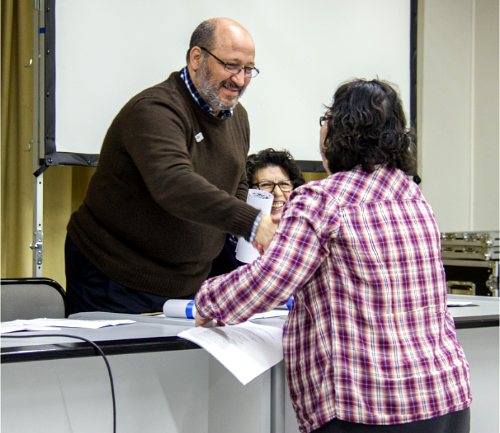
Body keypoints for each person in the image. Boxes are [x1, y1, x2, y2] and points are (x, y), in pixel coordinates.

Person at [195, 79, 472, 433]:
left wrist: (208, 299)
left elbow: (271, 280)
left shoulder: (322, 200)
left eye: (328, 117)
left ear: (339, 131)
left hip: (371, 406)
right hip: (444, 396)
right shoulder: (413, 196)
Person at [64, 18, 277, 315]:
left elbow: (236, 180)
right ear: (196, 58)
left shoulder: (237, 117)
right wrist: (252, 223)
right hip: (114, 276)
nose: (240, 80)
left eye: (248, 69)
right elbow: (174, 183)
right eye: (231, 65)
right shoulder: (155, 109)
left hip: (187, 283)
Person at [208, 148, 306, 277]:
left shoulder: (304, 234)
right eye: (265, 185)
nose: (277, 193)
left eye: (284, 184)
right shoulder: (222, 241)